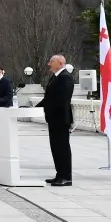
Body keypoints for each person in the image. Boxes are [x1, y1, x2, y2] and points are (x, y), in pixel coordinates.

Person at [37, 55, 75, 186]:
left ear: (60, 62)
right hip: (53, 118)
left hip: (61, 118)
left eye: (51, 61)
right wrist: (34, 108)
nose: (49, 64)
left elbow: (61, 99)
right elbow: (49, 97)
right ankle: (59, 175)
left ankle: (66, 177)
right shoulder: (55, 77)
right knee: (55, 148)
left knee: (62, 148)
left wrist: (47, 106)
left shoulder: (65, 77)